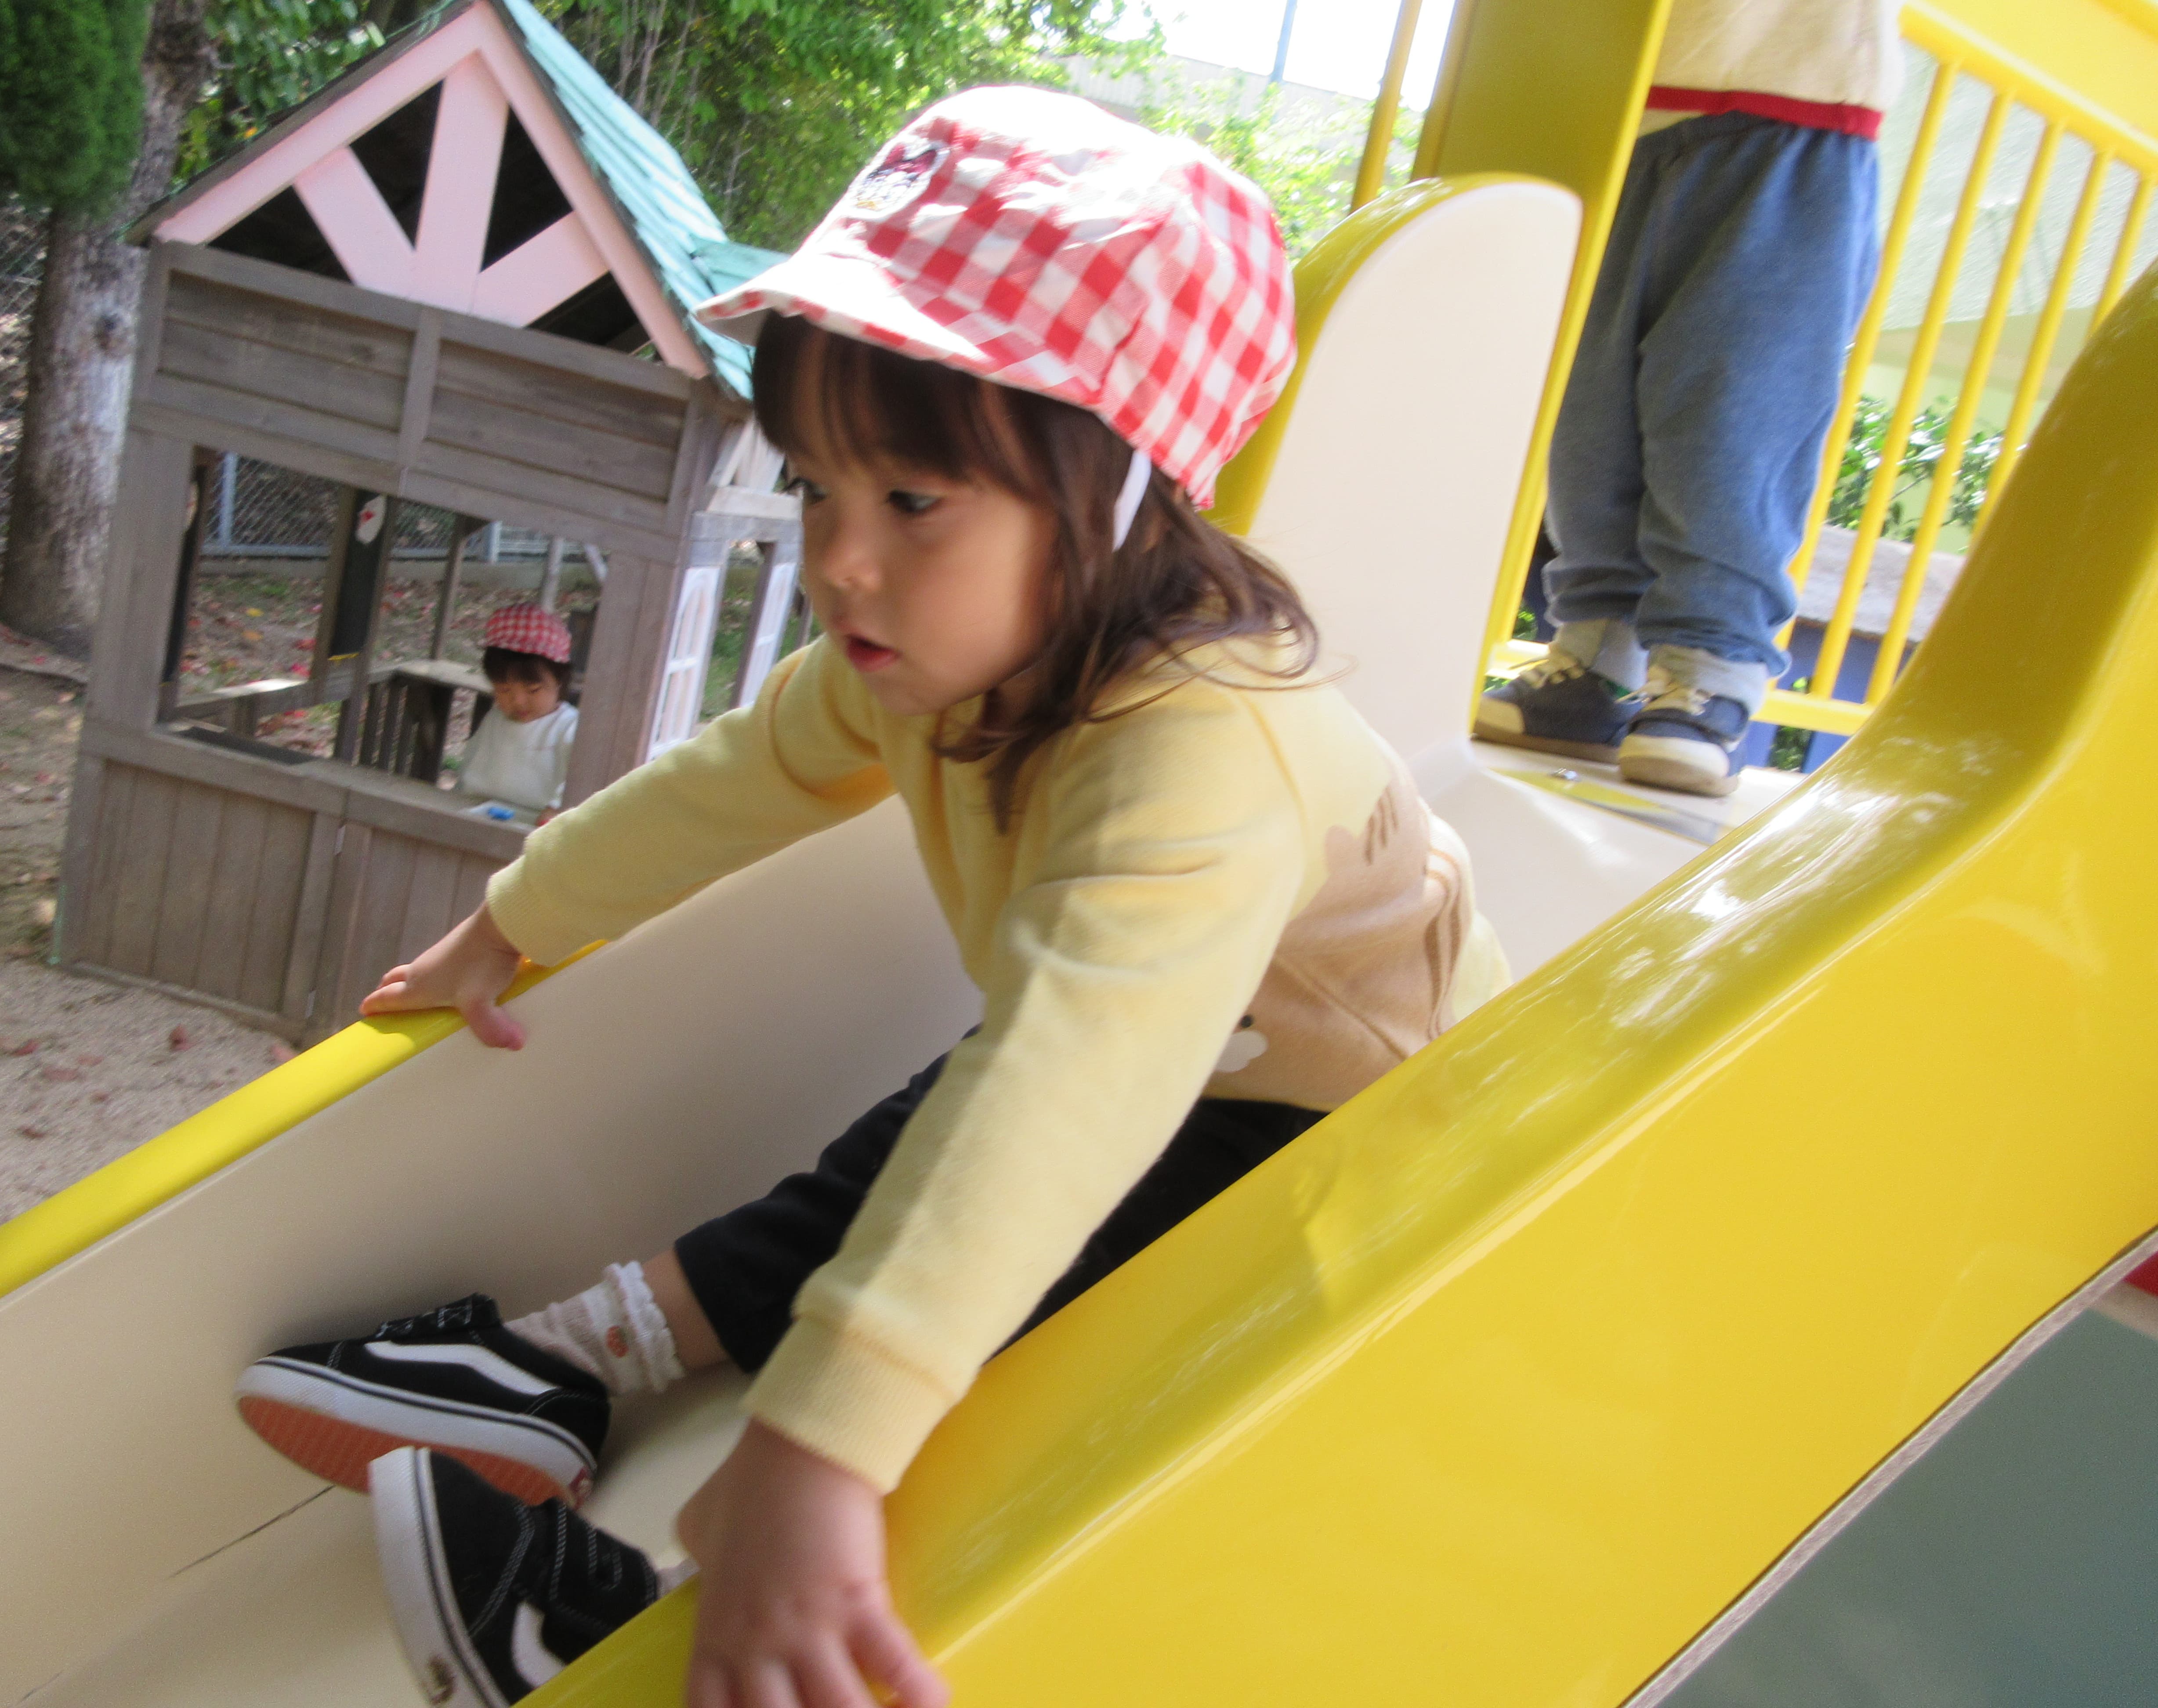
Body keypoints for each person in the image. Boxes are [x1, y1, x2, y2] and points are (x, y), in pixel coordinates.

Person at [230, 87, 1510, 1708]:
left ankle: (619, 1628)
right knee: (900, 1161)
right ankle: (560, 1368)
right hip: (1169, 1047)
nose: (840, 557)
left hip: (1358, 1137)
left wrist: (817, 1446)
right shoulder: (927, 660)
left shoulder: (1205, 752)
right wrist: (518, 918)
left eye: (912, 501)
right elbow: (738, 776)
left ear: (1118, 493)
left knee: (1012, 1313)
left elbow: (1066, 1096)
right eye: (818, 486)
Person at [1475, 0, 1902, 795]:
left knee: (1733, 411)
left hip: (1789, 90)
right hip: (1613, 104)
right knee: (1589, 415)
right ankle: (1596, 653)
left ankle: (1711, 664)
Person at [456, 603, 580, 814]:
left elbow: (578, 778)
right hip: (479, 811)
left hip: (536, 822)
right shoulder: (495, 719)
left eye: (533, 690)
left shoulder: (569, 726)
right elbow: (470, 764)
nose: (519, 702)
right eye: (504, 690)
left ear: (560, 681)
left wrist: (557, 807)